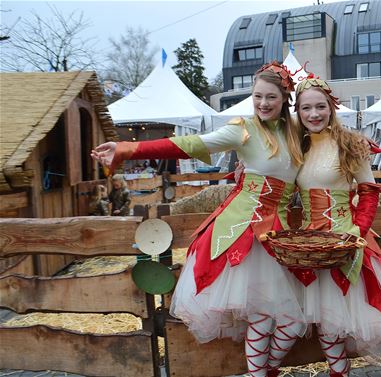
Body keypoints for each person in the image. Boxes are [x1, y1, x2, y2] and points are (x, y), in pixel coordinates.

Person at [92, 61, 307, 377]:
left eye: (271, 97)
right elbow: (192, 144)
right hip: (244, 235)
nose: (263, 103)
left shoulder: (296, 133)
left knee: (292, 320)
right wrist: (127, 148)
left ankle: (268, 368)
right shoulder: (243, 129)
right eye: (258, 96)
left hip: (280, 238)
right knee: (261, 318)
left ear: (285, 98)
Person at [293, 76, 381, 376]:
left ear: (331, 107)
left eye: (320, 106)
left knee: (333, 324)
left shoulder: (350, 145)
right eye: (306, 108)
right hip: (308, 249)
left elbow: (368, 193)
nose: (314, 114)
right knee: (309, 324)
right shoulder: (296, 146)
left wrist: (357, 229)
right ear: (298, 112)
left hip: (345, 244)